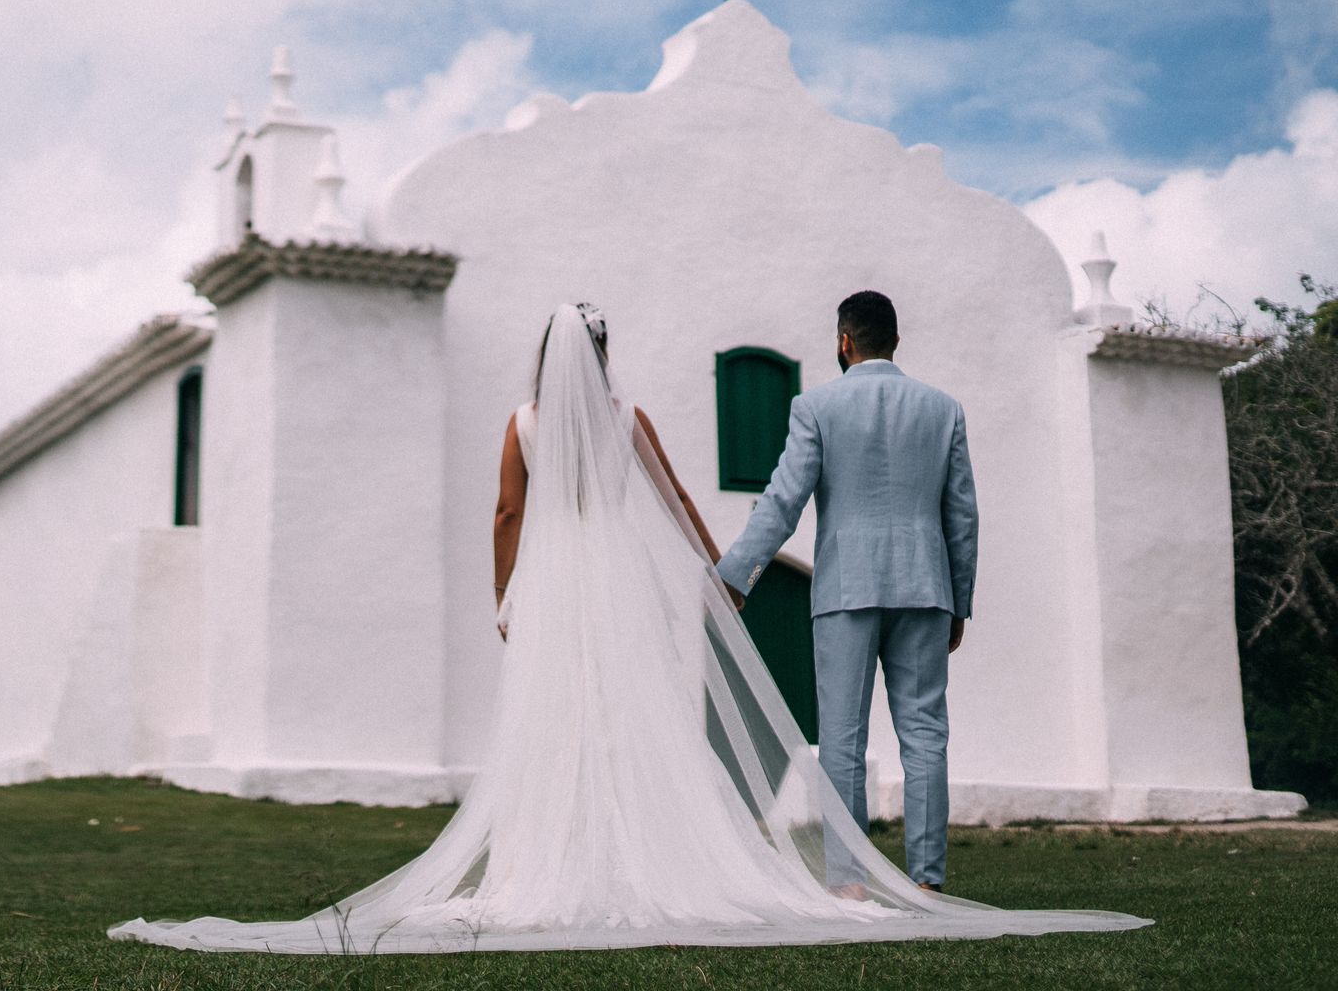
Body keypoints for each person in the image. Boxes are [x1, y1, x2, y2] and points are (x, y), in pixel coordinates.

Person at [109, 303, 1148, 953]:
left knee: (593, 723)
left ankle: (613, 864)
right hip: (782, 579)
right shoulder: (638, 415)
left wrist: (504, 589)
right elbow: (682, 498)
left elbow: (508, 511)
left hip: (567, 585)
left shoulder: (525, 422)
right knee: (907, 729)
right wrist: (715, 567)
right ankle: (918, 872)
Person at [714, 290, 970, 895]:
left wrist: (735, 575)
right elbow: (962, 515)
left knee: (844, 738)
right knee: (926, 734)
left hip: (846, 589)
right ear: (896, 341)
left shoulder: (817, 406)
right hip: (925, 587)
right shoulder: (944, 409)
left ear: (844, 341)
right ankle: (928, 883)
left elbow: (784, 500)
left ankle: (848, 882)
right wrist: (961, 599)